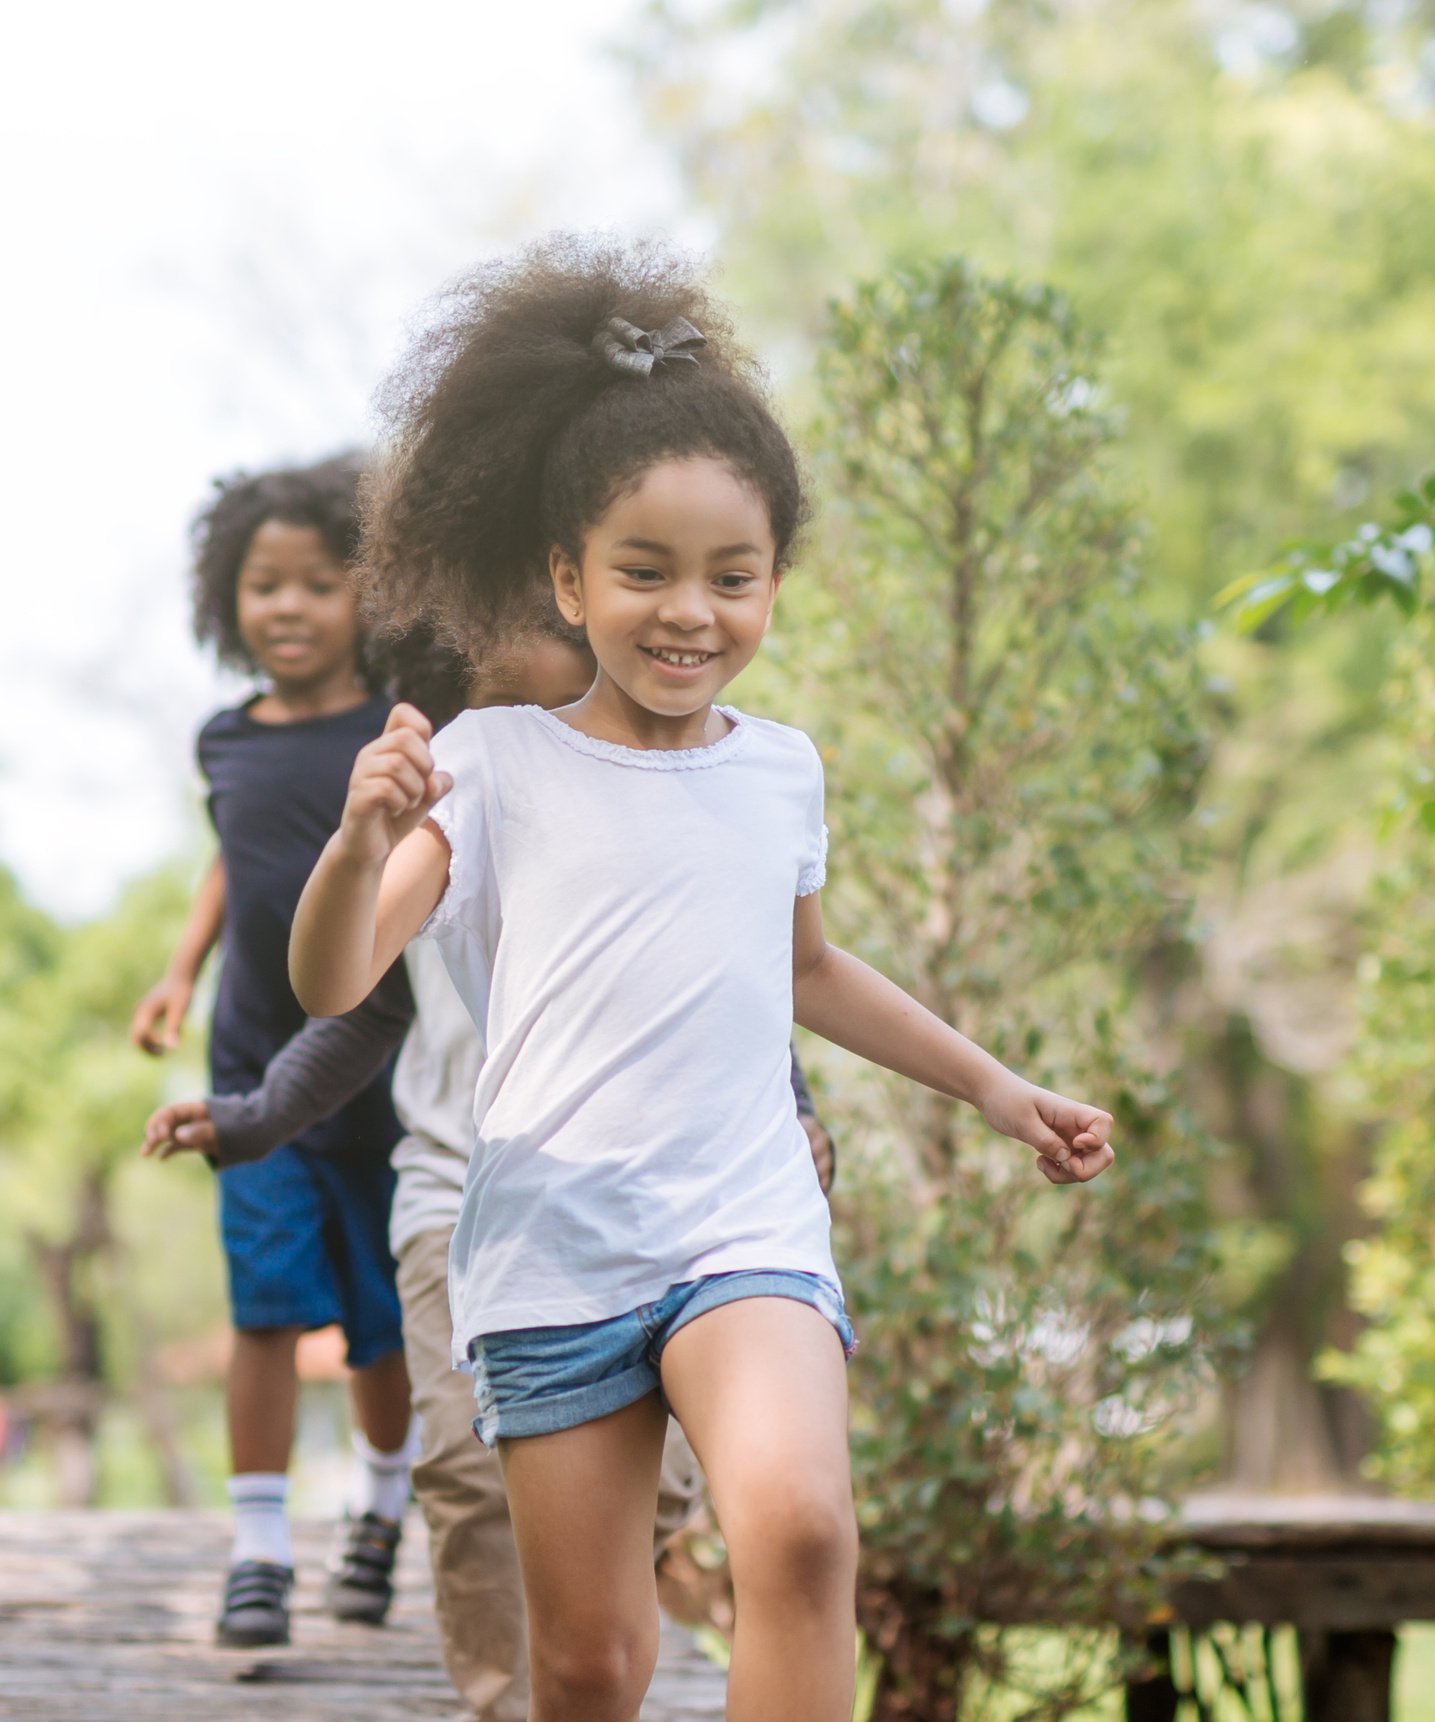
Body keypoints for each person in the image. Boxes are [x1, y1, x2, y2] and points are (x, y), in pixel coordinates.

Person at [286, 236, 1116, 1722]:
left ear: (772, 583)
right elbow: (332, 977)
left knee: (797, 1528)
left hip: (743, 1222)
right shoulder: (489, 763)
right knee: (595, 1664)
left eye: (731, 576)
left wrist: (996, 1086)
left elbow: (808, 969)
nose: (689, 611)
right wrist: (359, 845)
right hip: (550, 1247)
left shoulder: (781, 771)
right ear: (566, 577)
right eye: (643, 572)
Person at [145, 622, 837, 1722]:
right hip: (464, 1200)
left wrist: (797, 1114)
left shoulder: (692, 792)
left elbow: (736, 992)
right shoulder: (458, 807)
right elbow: (349, 1010)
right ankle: (502, 1700)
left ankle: (582, 1666)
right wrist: (249, 1119)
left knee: (651, 1515)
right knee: (470, 1482)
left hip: (669, 1221)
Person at [130, 456, 415, 1649]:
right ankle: (257, 1550)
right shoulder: (224, 739)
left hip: (376, 1076)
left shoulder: (395, 728)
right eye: (263, 585)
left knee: (379, 1320)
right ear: (226, 599)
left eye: (317, 581)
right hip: (249, 1064)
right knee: (264, 1308)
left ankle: (380, 1511)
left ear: (371, 594)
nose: (287, 606)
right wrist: (179, 969)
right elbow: (229, 857)